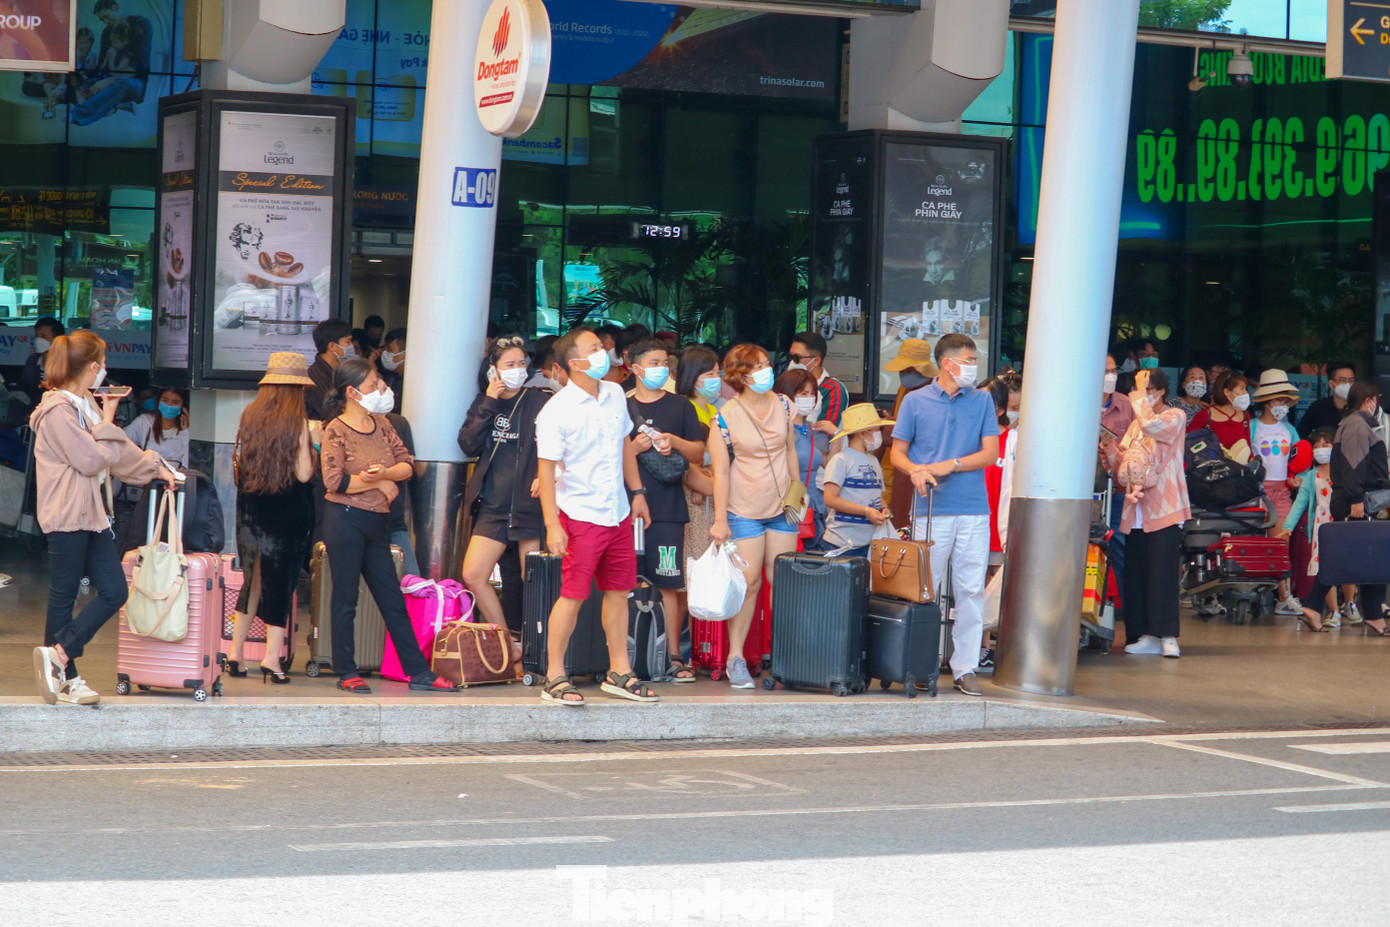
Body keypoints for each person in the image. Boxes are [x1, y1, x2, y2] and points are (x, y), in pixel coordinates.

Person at [29, 331, 177, 705]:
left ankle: (60, 658)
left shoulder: (84, 407)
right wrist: (109, 417)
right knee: (63, 597)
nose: (106, 371)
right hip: (66, 514)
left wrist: (155, 466)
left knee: (115, 590)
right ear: (93, 366)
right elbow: (93, 458)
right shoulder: (56, 411)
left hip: (94, 514)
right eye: (104, 364)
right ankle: (67, 678)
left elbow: (119, 453)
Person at [320, 358, 459, 693]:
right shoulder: (335, 429)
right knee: (346, 597)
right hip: (345, 520)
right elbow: (334, 481)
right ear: (352, 393)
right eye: (373, 386)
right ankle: (347, 670)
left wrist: (381, 476)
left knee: (392, 599)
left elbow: (407, 465)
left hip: (378, 522)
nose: (380, 390)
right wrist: (379, 484)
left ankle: (417, 671)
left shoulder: (381, 424)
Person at [534, 327, 656, 705]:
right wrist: (553, 524)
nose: (606, 353)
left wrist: (637, 493)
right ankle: (554, 674)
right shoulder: (556, 410)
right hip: (579, 513)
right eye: (595, 349)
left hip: (616, 510)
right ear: (574, 363)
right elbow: (546, 472)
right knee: (572, 595)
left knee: (620, 592)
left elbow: (624, 445)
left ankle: (619, 670)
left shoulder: (616, 393)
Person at [889, 333, 998, 696]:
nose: (973, 364)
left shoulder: (982, 399)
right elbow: (897, 454)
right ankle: (922, 663)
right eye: (968, 358)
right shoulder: (916, 401)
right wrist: (916, 470)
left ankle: (964, 666)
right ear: (947, 363)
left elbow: (988, 453)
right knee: (924, 591)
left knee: (970, 591)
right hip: (930, 510)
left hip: (973, 509)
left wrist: (950, 465)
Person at [709, 343, 801, 690]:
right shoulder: (724, 417)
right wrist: (721, 520)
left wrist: (797, 496)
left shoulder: (784, 404)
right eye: (758, 366)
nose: (766, 370)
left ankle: (785, 657)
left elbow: (790, 449)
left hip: (782, 507)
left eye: (767, 363)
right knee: (749, 584)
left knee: (784, 582)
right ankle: (736, 658)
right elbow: (720, 472)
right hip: (743, 508)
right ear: (741, 375)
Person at [225, 354, 317, 682]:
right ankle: (271, 659)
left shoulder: (249, 414)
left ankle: (235, 655)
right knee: (281, 583)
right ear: (296, 390)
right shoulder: (298, 422)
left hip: (250, 508)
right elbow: (305, 474)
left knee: (252, 580)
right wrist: (310, 442)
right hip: (287, 512)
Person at [458, 336, 550, 637]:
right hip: (494, 507)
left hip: (531, 507)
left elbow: (562, 445)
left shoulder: (541, 401)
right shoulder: (484, 403)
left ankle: (535, 647)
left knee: (532, 580)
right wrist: (489, 402)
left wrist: (549, 474)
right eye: (509, 364)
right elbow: (468, 444)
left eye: (521, 363)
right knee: (473, 574)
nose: (517, 369)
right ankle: (506, 640)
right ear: (493, 370)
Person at [626, 339, 706, 682]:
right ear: (636, 369)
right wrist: (634, 446)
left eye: (665, 363)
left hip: (669, 509)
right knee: (623, 583)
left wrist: (674, 440)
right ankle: (623, 657)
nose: (663, 369)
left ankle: (673, 656)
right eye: (655, 362)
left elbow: (698, 453)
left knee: (669, 584)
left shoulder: (681, 407)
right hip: (625, 508)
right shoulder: (619, 404)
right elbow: (605, 456)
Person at [1103, 369, 1190, 658]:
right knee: (1137, 573)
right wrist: (1110, 449)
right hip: (1136, 508)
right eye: (1140, 389)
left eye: (1148, 389)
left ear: (1161, 391)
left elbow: (1153, 427)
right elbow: (1121, 469)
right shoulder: (1136, 426)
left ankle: (1166, 635)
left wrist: (1138, 395)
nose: (1142, 394)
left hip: (1165, 506)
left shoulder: (1174, 417)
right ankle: (1141, 633)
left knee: (1162, 572)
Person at [1328, 381, 1390, 636]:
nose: (1379, 405)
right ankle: (1373, 614)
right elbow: (1354, 465)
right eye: (1377, 399)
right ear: (1368, 401)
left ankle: (1374, 613)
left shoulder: (1360, 424)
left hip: (1366, 501)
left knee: (1364, 556)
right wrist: (1356, 500)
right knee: (1361, 556)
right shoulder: (1356, 424)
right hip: (1360, 503)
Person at [1276, 428, 1350, 631]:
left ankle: (1345, 606)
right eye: (1316, 446)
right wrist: (1288, 527)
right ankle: (1333, 611)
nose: (1320, 450)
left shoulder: (1343, 471)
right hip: (1321, 526)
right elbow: (1300, 503)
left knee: (1343, 566)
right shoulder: (1310, 476)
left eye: (1325, 445)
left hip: (1342, 523)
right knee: (1325, 567)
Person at [1249, 370, 1307, 615]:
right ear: (1266, 401)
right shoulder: (1251, 426)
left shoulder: (1290, 430)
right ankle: (1249, 592)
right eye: (1278, 400)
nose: (1282, 405)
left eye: (1285, 401)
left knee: (1281, 542)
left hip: (1282, 490)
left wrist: (1298, 481)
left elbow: (1300, 463)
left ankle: (1283, 596)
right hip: (1255, 490)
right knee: (1253, 543)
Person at [823, 403, 892, 558]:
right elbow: (830, 498)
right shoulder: (841, 460)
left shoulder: (874, 460)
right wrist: (866, 511)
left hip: (870, 542)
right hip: (841, 542)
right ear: (862, 433)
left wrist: (885, 509)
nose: (879, 434)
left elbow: (876, 494)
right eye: (876, 429)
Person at [882, 339, 938, 528]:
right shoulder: (904, 389)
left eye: (907, 370)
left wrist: (890, 428)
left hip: (920, 467)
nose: (903, 375)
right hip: (899, 466)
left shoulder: (935, 391)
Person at [775, 367, 830, 549]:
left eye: (812, 394)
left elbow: (829, 465)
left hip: (814, 508)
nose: (809, 398)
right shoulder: (779, 429)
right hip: (788, 507)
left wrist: (837, 434)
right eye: (803, 393)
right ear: (789, 394)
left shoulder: (813, 429)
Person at [1098, 353, 1134, 609]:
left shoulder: (1127, 406)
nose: (1110, 376)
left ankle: (1121, 604)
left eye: (1113, 371)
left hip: (1118, 489)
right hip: (1085, 491)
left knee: (1121, 548)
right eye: (1104, 371)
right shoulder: (1076, 402)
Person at [787, 331, 849, 429]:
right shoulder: (787, 386)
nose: (792, 362)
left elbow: (824, 434)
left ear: (816, 361)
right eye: (790, 357)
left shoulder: (832, 389)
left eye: (797, 358)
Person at [1189, 372, 1252, 462]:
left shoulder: (1245, 416)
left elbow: (1249, 446)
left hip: (1240, 473)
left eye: (1245, 389)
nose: (1245, 393)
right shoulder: (1205, 416)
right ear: (1226, 392)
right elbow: (1188, 444)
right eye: (1242, 389)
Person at [122, 388, 189, 468]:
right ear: (158, 402)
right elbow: (122, 439)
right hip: (148, 476)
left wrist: (186, 433)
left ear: (183, 407)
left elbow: (189, 463)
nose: (169, 405)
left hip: (174, 478)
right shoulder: (145, 422)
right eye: (165, 400)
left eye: (175, 402)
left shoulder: (186, 432)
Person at [306, 318, 356, 421]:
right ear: (332, 346)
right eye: (348, 342)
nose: (351, 346)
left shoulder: (341, 371)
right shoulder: (316, 377)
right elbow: (333, 413)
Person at [1298, 362, 1356, 438]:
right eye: (1343, 380)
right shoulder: (1318, 408)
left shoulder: (1359, 408)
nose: (1347, 384)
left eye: (1351, 380)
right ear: (1331, 384)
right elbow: (1301, 434)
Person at [20, 316, 63, 400]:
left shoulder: (66, 363)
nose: (38, 339)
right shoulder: (32, 361)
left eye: (43, 336)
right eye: (37, 335)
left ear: (56, 339)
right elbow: (25, 387)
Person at [377, 327, 407, 411]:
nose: (385, 353)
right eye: (384, 349)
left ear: (404, 353)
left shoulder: (416, 383)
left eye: (390, 349)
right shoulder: (388, 376)